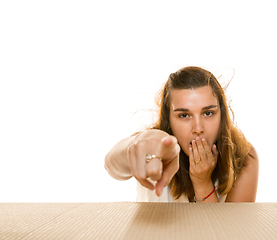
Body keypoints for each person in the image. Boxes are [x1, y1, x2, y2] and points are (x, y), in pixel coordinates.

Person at [104, 66, 259, 202]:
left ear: (222, 115)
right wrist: (140, 140)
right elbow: (111, 166)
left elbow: (228, 234)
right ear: (169, 120)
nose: (198, 128)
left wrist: (202, 184)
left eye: (208, 113)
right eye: (184, 115)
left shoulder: (244, 157)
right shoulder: (153, 147)